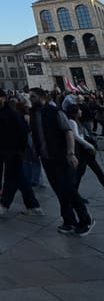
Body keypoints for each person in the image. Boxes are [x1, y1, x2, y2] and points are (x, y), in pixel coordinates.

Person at [29, 88, 94, 236]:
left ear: (42, 97)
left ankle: (85, 219)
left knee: (68, 189)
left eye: (33, 97)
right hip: (46, 158)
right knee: (59, 190)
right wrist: (35, 149)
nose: (30, 99)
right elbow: (36, 133)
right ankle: (68, 221)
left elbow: (68, 131)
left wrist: (71, 153)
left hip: (61, 156)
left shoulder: (55, 111)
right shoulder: (33, 113)